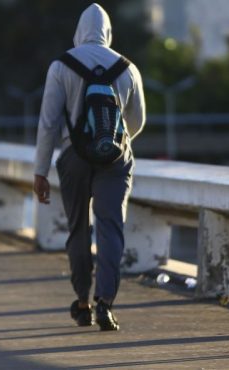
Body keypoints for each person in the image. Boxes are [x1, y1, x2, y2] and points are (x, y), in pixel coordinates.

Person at [33, 3, 145, 331]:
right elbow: (137, 121)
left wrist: (40, 170)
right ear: (108, 33)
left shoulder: (61, 65)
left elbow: (48, 123)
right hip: (115, 158)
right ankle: (105, 303)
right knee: (111, 228)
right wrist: (113, 141)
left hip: (74, 157)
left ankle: (82, 301)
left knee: (79, 228)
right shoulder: (128, 68)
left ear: (79, 31)